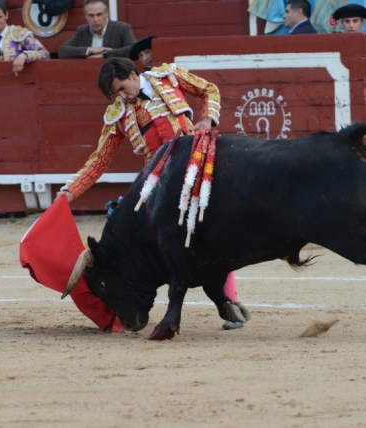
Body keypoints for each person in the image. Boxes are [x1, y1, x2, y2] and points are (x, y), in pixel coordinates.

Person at [55, 58, 243, 330]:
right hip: (161, 188)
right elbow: (99, 160)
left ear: (133, 74)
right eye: (115, 94)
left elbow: (209, 89)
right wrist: (69, 191)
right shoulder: (118, 115)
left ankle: (229, 301)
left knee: (217, 230)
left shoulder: (168, 77)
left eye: (122, 88)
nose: (122, 97)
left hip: (197, 168)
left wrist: (208, 117)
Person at [58, 0, 136, 59]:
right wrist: (90, 50)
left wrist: (105, 54)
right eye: (91, 15)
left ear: (107, 13)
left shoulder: (122, 28)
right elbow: (63, 51)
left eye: (99, 14)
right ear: (85, 15)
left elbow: (134, 48)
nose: (95, 19)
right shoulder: (82, 31)